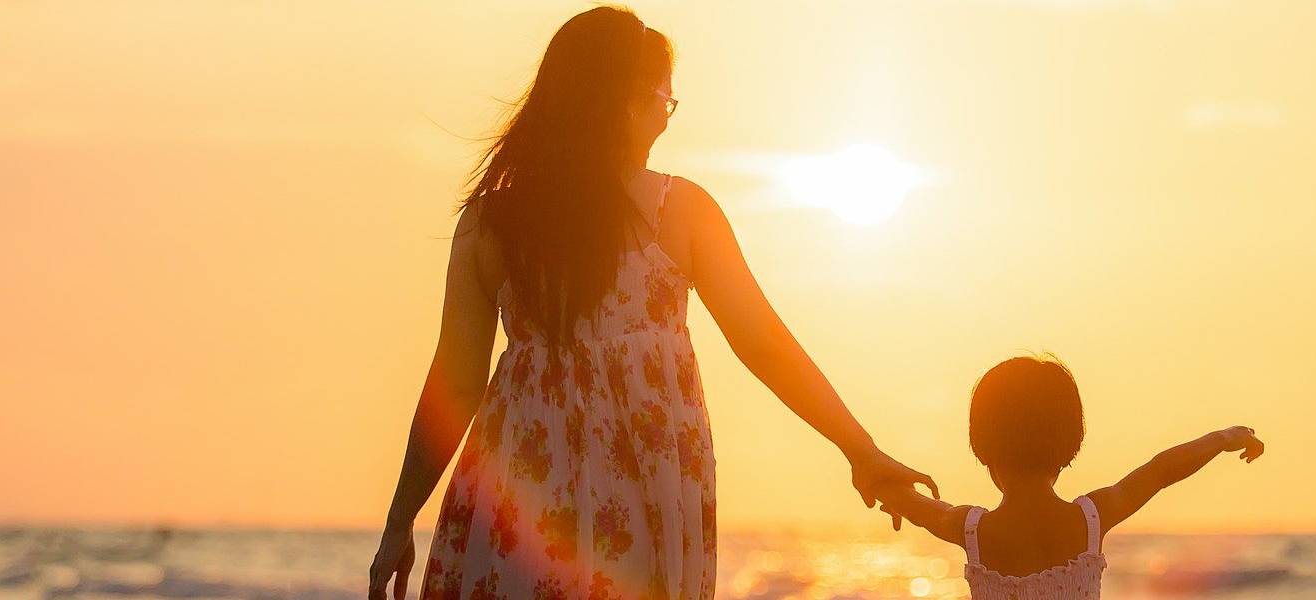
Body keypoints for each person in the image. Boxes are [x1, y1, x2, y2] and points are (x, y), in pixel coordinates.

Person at [366, 7, 935, 599]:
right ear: (627, 101)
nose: (667, 115)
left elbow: (456, 386)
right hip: (647, 490)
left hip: (517, 495)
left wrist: (400, 519)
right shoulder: (679, 211)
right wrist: (860, 450)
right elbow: (762, 344)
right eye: (665, 98)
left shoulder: (489, 223)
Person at [872, 356, 1266, 599]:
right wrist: (1222, 438)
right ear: (1070, 444)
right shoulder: (1091, 519)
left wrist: (886, 489)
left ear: (983, 447)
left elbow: (915, 504)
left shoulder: (970, 528)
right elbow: (1161, 470)